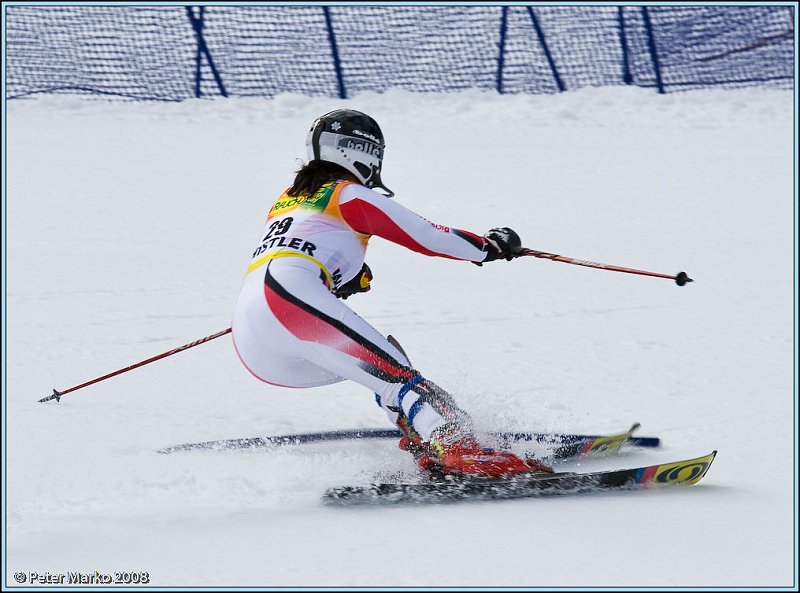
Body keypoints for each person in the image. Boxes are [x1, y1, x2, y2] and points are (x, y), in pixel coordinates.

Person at [232, 109, 553, 477]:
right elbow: (427, 236)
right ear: (361, 153)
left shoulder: (289, 198)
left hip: (254, 329)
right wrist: (488, 247)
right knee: (399, 378)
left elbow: (300, 248)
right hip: (288, 297)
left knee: (387, 368)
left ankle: (429, 438)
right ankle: (462, 448)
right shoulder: (346, 193)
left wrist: (342, 276)